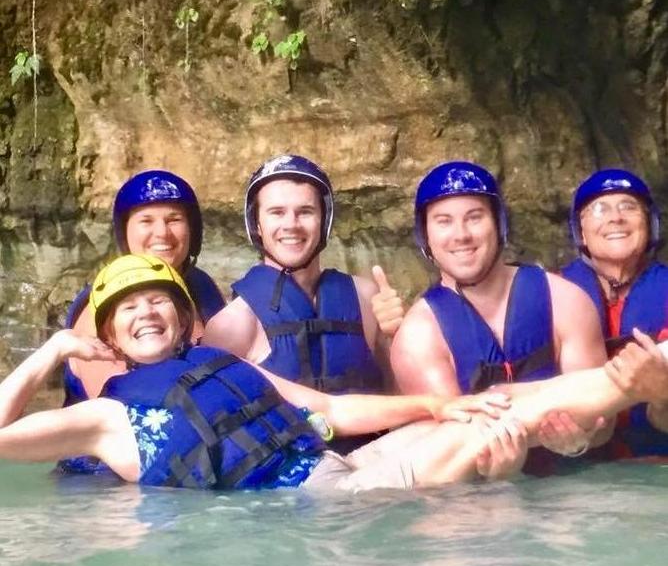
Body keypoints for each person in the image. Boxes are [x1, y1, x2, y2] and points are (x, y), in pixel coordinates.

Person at [0, 254, 663, 492]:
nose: (147, 314)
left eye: (158, 302)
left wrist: (437, 408)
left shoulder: (221, 365)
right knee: (491, 430)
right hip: (316, 508)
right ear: (109, 337)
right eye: (129, 310)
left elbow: (335, 413)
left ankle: (634, 379)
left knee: (486, 404)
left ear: (183, 320)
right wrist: (48, 354)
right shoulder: (101, 421)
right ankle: (633, 381)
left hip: (340, 469)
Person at [391, 160, 612, 477]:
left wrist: (581, 440)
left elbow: (603, 421)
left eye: (474, 217)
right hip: (477, 504)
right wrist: (499, 479)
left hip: (574, 482)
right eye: (443, 221)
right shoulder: (418, 337)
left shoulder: (566, 300)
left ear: (499, 224)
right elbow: (446, 457)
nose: (461, 235)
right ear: (426, 236)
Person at [202, 154, 405, 450]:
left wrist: (397, 339)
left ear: (324, 220)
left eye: (305, 212)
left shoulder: (366, 297)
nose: (291, 225)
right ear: (256, 224)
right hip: (290, 484)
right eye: (277, 212)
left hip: (372, 467)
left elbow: (400, 403)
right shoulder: (231, 324)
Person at [63, 170, 225, 405]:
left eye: (174, 220)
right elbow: (117, 408)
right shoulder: (101, 307)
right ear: (125, 232)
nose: (162, 233)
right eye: (146, 221)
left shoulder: (201, 285)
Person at [561, 168, 668, 454]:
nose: (615, 217)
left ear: (650, 224)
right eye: (599, 209)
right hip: (578, 470)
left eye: (628, 207)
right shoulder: (553, 295)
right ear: (580, 230)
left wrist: (662, 397)